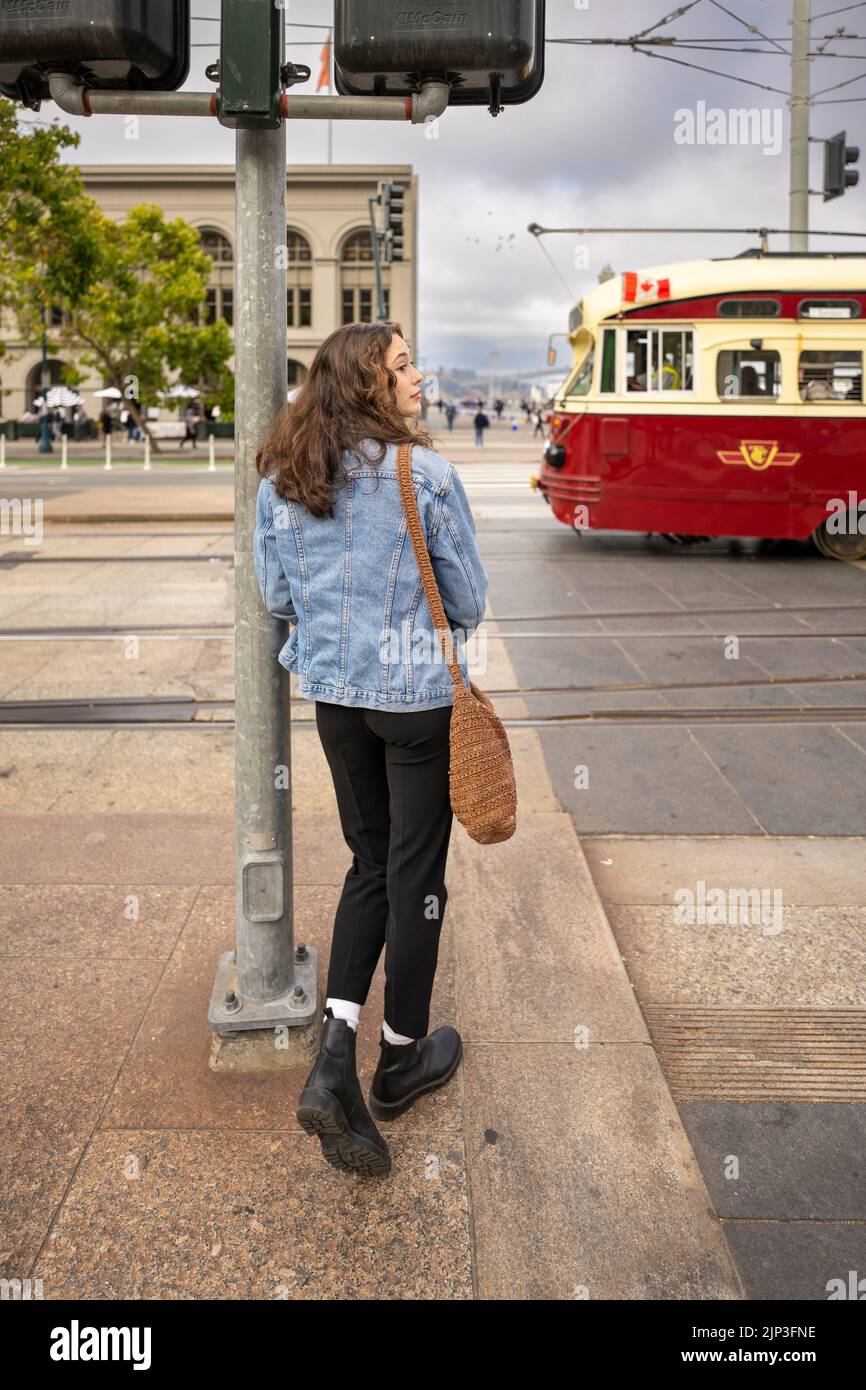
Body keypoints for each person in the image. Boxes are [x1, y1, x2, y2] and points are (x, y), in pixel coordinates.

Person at [254, 322, 488, 1177]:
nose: (417, 376)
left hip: (337, 703)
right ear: (368, 384)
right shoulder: (423, 473)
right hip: (417, 700)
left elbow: (276, 593)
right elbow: (468, 597)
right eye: (402, 365)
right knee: (416, 877)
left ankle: (331, 1057)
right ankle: (396, 1061)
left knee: (369, 864)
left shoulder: (285, 475)